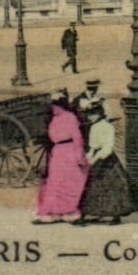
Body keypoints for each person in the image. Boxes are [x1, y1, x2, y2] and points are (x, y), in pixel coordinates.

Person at [34, 91, 89, 224]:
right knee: (56, 182)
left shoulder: (70, 117)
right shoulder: (55, 118)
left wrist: (78, 155)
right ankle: (54, 212)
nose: (53, 108)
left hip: (69, 151)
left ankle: (69, 211)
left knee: (69, 182)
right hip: (58, 152)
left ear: (61, 106)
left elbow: (77, 137)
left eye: (55, 106)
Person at [77, 102, 132, 225]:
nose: (89, 117)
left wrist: (96, 159)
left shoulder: (107, 127)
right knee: (89, 185)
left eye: (92, 114)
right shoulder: (93, 126)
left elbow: (108, 147)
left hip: (106, 159)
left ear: (99, 114)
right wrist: (87, 158)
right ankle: (87, 214)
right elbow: (92, 147)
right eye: (89, 114)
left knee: (110, 186)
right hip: (96, 157)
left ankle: (114, 215)